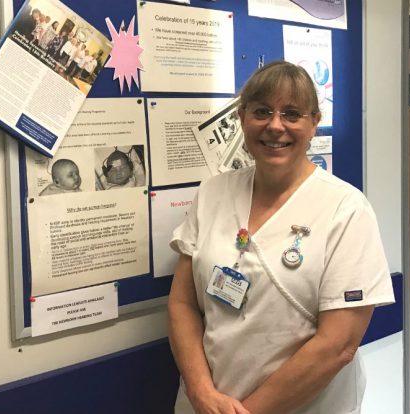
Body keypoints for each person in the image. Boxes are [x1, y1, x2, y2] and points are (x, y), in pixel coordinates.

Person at [168, 61, 395, 414]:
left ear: (313, 122)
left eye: (292, 113)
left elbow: (338, 345)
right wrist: (201, 393)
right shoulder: (213, 193)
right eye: (262, 111)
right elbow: (182, 304)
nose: (275, 125)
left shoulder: (346, 209)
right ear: (242, 118)